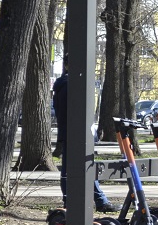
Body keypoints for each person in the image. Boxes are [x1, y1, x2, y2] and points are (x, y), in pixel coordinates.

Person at [50, 63, 118, 213]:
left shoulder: (65, 85)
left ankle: (76, 200)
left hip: (72, 133)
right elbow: (74, 111)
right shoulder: (69, 85)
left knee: (74, 168)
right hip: (76, 133)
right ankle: (98, 201)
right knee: (84, 166)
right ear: (68, 66)